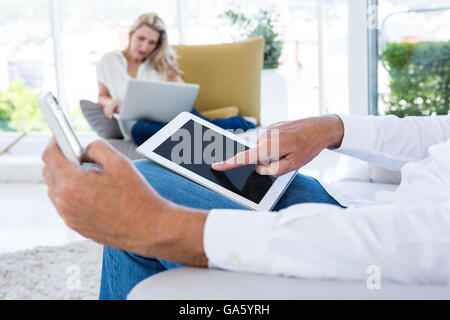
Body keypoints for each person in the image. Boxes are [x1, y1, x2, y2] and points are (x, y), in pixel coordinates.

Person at [42, 113, 450, 300]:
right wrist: (333, 128)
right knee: (155, 170)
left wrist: (161, 225)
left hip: (370, 255)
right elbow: (440, 133)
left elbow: (427, 242)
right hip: (361, 213)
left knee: (140, 189)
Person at [96, 13, 256, 146]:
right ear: (131, 34)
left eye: (152, 42)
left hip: (174, 116)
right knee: (144, 130)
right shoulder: (109, 61)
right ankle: (240, 123)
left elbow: (183, 95)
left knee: (202, 131)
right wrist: (109, 103)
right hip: (137, 125)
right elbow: (102, 95)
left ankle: (243, 123)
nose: (144, 47)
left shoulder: (160, 62)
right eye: (141, 38)